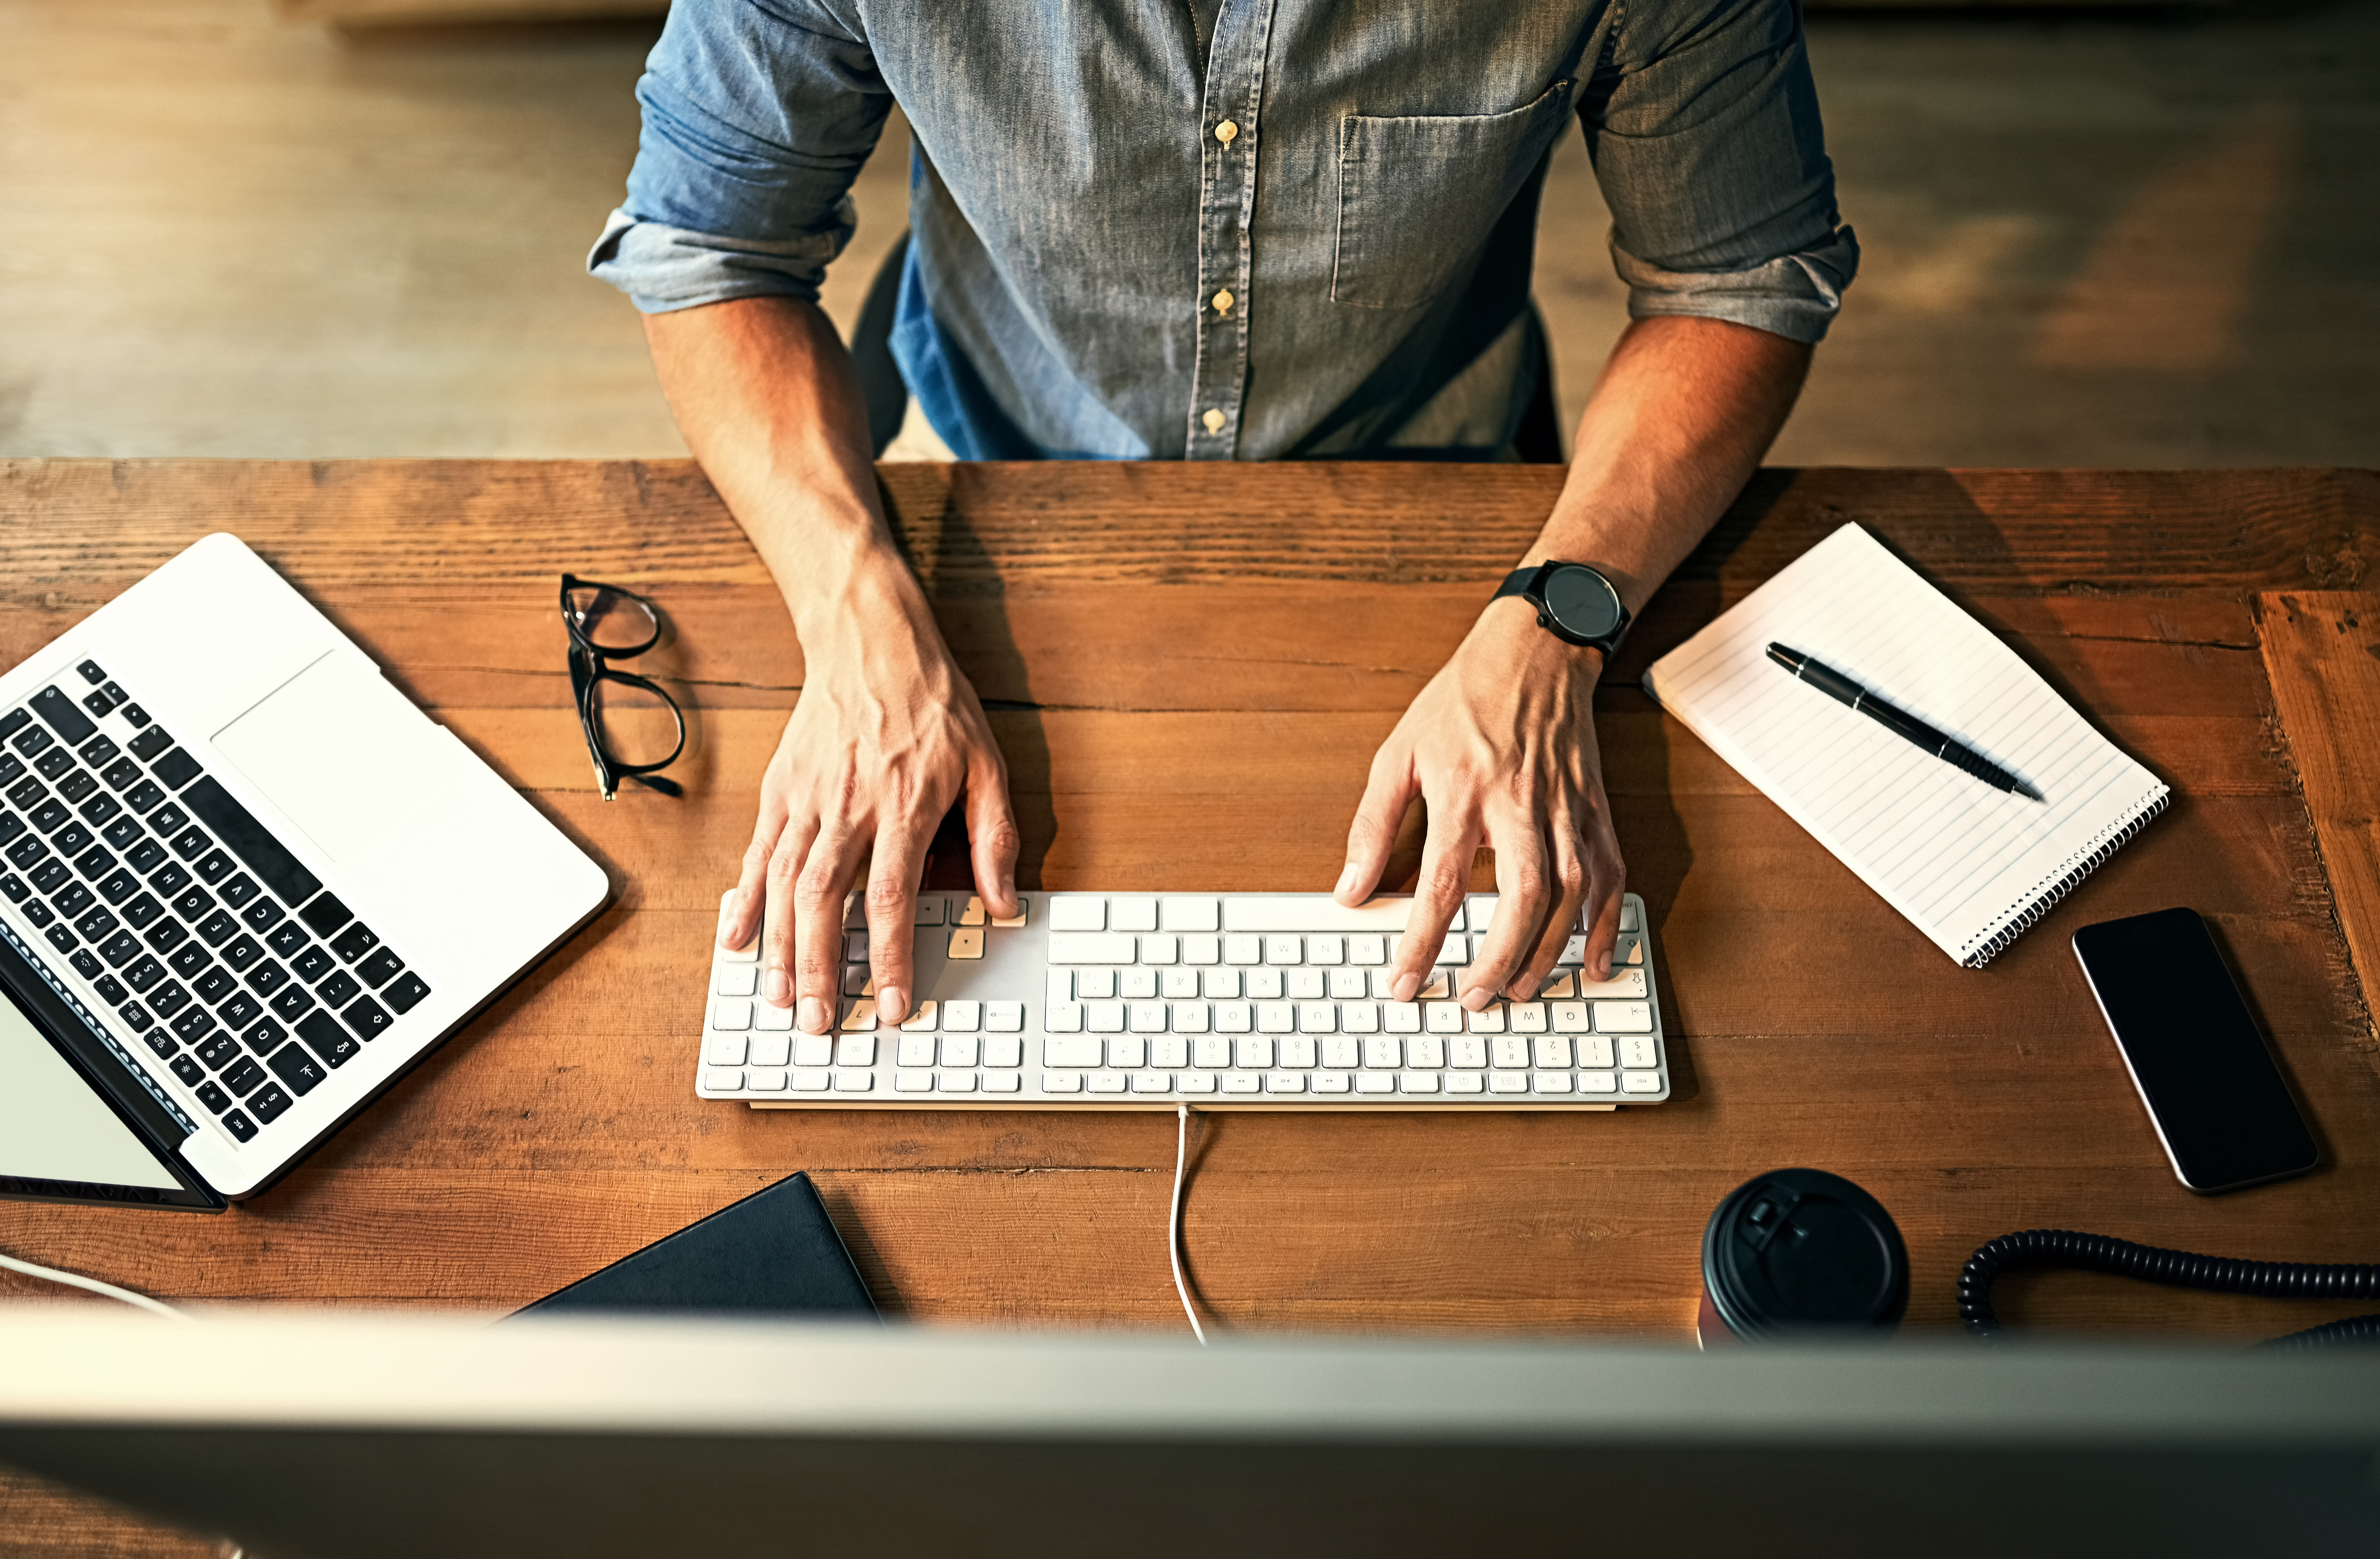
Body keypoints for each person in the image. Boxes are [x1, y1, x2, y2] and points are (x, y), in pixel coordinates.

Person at [589, 0, 1856, 1038]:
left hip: (1446, 496)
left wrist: (1560, 616)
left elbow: (1734, 279)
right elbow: (711, 247)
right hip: (989, 458)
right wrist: (850, 611)